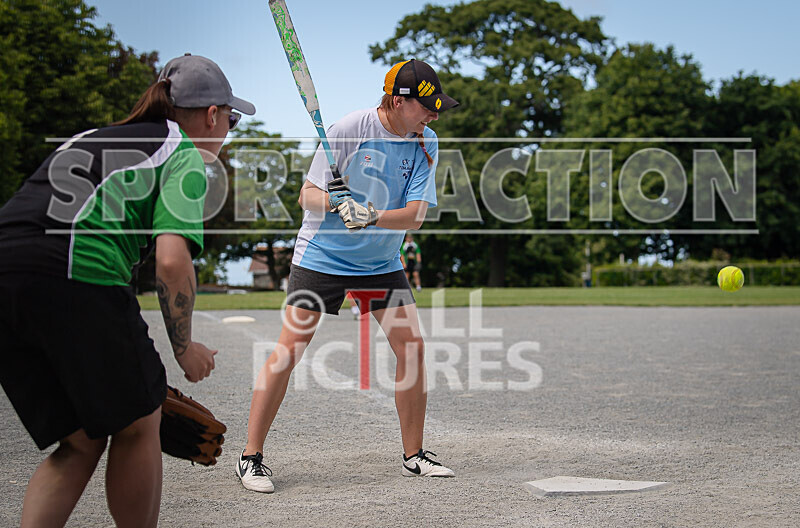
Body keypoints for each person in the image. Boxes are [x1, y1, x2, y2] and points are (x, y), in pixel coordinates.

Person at [0, 54, 254, 527]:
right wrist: (184, 348)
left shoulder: (95, 136)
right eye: (232, 119)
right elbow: (173, 261)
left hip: (7, 276)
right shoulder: (183, 152)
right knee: (139, 422)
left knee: (80, 440)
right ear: (213, 114)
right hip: (76, 272)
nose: (227, 131)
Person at [236, 59, 459, 492]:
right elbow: (307, 195)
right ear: (399, 101)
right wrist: (339, 205)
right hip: (323, 256)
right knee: (289, 351)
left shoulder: (426, 142)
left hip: (379, 263)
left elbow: (414, 218)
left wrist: (370, 215)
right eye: (427, 107)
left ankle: (413, 455)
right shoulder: (349, 129)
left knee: (411, 349)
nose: (434, 115)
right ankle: (250, 456)